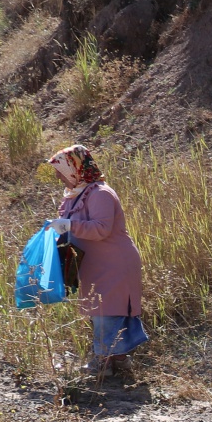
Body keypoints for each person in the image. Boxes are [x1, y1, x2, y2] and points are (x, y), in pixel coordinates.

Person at [47, 145, 146, 381]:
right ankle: (118, 362)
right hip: (97, 266)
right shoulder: (77, 194)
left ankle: (102, 364)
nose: (58, 177)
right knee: (101, 312)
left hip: (114, 264)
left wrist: (69, 226)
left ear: (75, 168)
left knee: (106, 313)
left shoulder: (100, 193)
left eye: (60, 171)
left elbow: (101, 229)